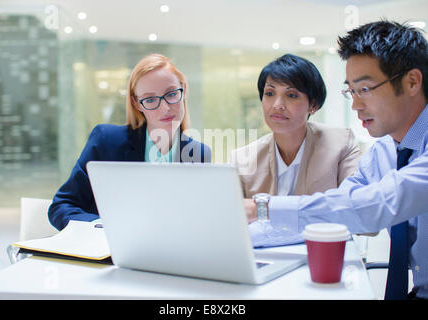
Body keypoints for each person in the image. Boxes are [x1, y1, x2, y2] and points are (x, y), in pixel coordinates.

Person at [244, 21, 428, 300]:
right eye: (351, 91)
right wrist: (242, 237)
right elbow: (336, 214)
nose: (355, 105)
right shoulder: (384, 153)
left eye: (365, 89)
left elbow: (376, 205)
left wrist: (264, 207)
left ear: (412, 82)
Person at [49, 53, 211, 231]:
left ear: (184, 90)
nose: (165, 108)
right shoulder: (106, 141)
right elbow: (62, 206)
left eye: (171, 94)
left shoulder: (199, 153)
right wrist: (105, 229)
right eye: (150, 99)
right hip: (109, 252)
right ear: (137, 103)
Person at [230, 54, 361, 202]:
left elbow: (352, 205)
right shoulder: (242, 159)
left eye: (291, 95)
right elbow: (232, 216)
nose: (277, 105)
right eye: (270, 93)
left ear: (313, 105)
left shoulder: (341, 145)